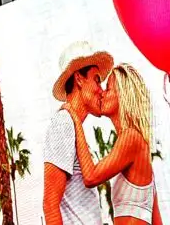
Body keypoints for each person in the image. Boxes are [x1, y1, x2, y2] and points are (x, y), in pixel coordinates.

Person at [71, 63, 163, 224]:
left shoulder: (131, 138)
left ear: (123, 94)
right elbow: (157, 221)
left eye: (108, 89)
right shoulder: (137, 142)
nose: (102, 93)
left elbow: (91, 177)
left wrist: (75, 120)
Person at [43, 42, 109, 224]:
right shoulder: (64, 122)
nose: (102, 91)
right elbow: (50, 204)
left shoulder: (72, 125)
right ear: (79, 79)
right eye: (97, 80)